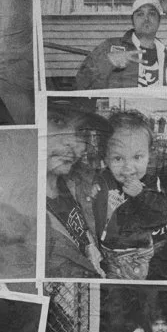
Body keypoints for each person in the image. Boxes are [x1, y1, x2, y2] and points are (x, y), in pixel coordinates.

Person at [90, 110, 167, 279]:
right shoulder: (102, 178)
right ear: (105, 158)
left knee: (128, 289)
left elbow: (162, 216)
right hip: (104, 250)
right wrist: (90, 191)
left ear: (149, 156)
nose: (128, 167)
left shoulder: (150, 183)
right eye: (118, 159)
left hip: (135, 254)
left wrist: (141, 195)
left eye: (137, 157)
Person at [45, 104, 106, 278]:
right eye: (57, 121)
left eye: (81, 131)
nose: (73, 143)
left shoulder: (80, 182)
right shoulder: (20, 211)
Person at [74, 0, 167, 89]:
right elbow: (80, 82)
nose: (146, 18)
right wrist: (107, 61)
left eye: (152, 14)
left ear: (159, 20)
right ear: (132, 21)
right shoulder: (110, 46)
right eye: (140, 14)